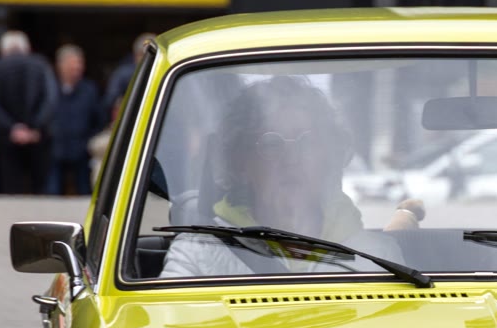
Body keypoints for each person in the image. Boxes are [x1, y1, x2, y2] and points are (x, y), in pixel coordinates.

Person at [161, 79, 418, 279]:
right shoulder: (197, 252)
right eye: (271, 143)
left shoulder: (377, 254)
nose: (291, 158)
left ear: (328, 158)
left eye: (307, 141)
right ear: (240, 162)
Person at [0, 30, 57, 195]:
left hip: (7, 140)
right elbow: (51, 100)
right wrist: (34, 127)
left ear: (3, 50)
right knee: (40, 191)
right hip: (38, 138)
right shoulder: (41, 65)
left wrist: (13, 129)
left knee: (11, 191)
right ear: (27, 48)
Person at [48, 45, 106, 197]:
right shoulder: (49, 89)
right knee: (52, 193)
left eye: (79, 64)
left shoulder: (89, 90)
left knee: (84, 193)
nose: (77, 68)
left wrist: (89, 139)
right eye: (72, 65)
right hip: (55, 149)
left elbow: (99, 118)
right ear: (60, 66)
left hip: (81, 149)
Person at [104, 32, 157, 116]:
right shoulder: (123, 74)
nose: (149, 60)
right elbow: (110, 101)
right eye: (142, 55)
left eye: (155, 56)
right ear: (136, 55)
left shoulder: (162, 71)